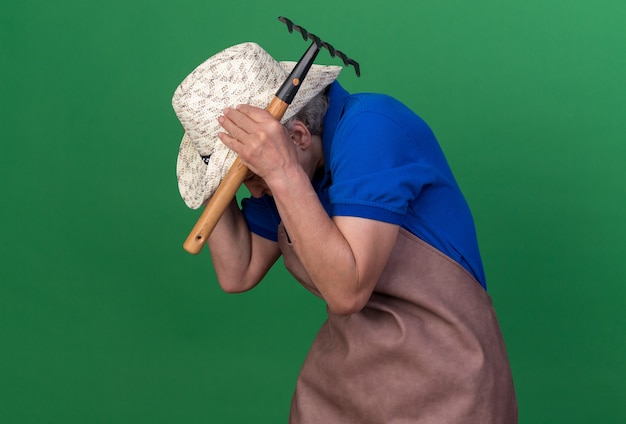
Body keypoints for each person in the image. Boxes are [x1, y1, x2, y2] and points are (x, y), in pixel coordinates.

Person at [173, 42, 518, 423]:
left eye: (250, 176)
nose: (253, 192)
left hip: (445, 378)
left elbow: (347, 291)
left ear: (300, 136)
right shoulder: (288, 167)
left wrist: (280, 171)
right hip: (346, 378)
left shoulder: (371, 128)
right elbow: (239, 271)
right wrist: (208, 175)